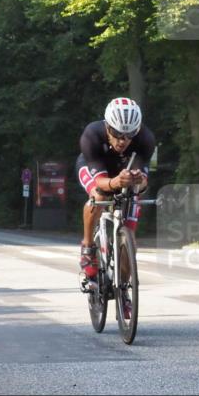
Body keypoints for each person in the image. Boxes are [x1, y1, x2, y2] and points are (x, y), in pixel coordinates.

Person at [77, 97, 155, 285]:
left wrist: (139, 182)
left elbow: (143, 183)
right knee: (98, 197)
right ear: (107, 126)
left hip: (123, 173)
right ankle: (88, 247)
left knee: (129, 242)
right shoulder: (92, 134)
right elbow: (101, 182)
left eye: (129, 135)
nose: (123, 141)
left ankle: (124, 289)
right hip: (96, 170)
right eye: (117, 133)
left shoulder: (145, 138)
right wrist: (116, 182)